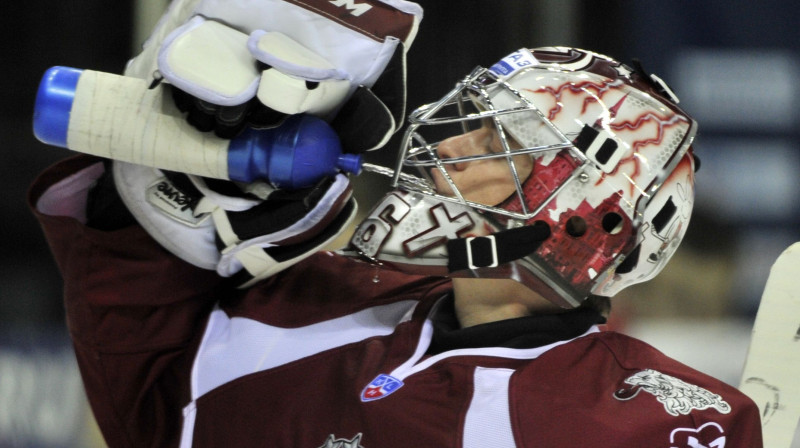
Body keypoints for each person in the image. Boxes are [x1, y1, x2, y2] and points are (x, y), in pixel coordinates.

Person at [29, 5, 762, 446]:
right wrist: (153, 184)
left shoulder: (658, 424)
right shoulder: (296, 307)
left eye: (492, 142)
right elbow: (144, 394)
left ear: (578, 217)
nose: (444, 148)